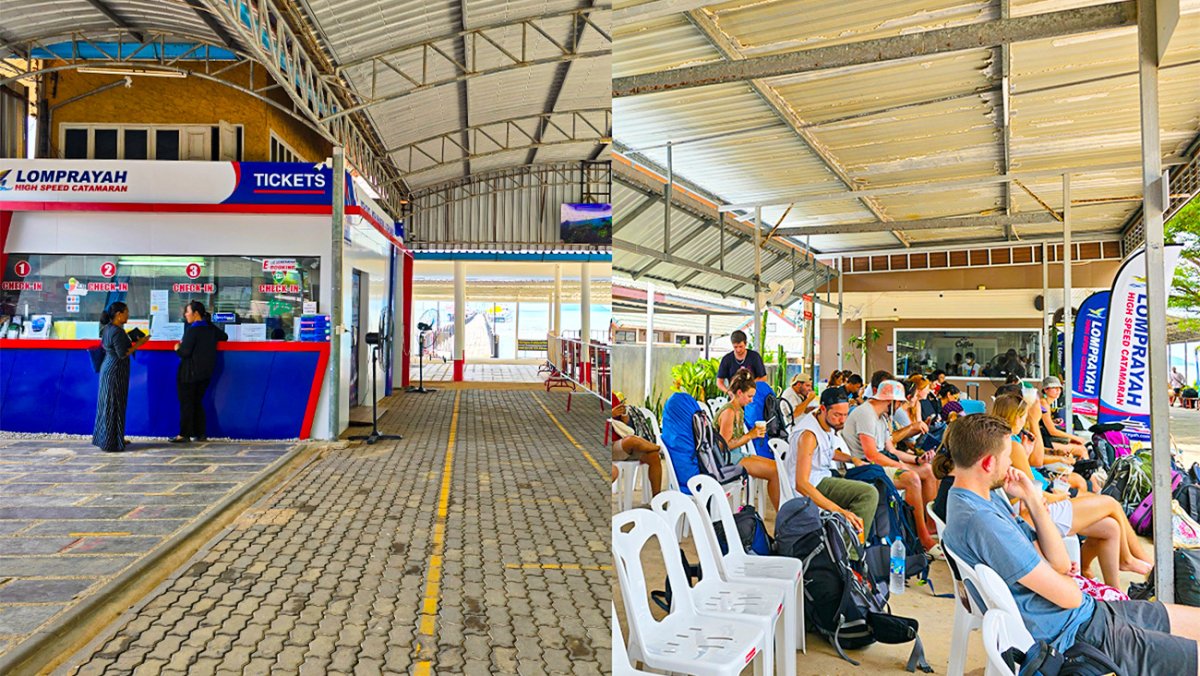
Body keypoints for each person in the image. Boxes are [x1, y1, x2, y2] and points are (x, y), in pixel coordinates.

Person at [940, 414, 1198, 675]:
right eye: (1008, 456)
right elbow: (1070, 595)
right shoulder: (983, 521)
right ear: (987, 463)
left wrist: (1032, 498)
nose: (1011, 463)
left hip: (1088, 618)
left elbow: (1061, 563)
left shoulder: (976, 501)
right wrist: (1059, 574)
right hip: (1079, 637)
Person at [992, 394, 1152, 584]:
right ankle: (1131, 560)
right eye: (1025, 416)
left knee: (1111, 527)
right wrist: (1059, 496)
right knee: (1111, 503)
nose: (1026, 419)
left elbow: (1029, 470)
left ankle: (1115, 591)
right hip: (1038, 511)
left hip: (1037, 504)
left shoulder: (1008, 442)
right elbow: (1030, 489)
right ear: (1016, 417)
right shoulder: (1012, 444)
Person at [841, 379, 939, 550]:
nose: (900, 406)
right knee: (912, 479)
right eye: (899, 402)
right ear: (890, 400)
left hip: (880, 461)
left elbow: (891, 450)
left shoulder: (883, 416)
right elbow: (871, 455)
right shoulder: (865, 414)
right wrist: (901, 466)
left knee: (928, 470)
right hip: (866, 468)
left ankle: (930, 526)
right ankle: (921, 537)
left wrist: (917, 460)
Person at [789, 387, 878, 535]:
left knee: (872, 478)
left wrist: (852, 459)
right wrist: (840, 511)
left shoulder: (825, 422)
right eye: (837, 415)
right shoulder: (808, 436)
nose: (842, 420)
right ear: (823, 409)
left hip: (823, 476)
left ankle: (862, 538)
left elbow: (827, 451)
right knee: (868, 493)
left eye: (845, 415)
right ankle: (850, 547)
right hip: (814, 484)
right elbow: (801, 484)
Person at [714, 370, 782, 510]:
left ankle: (782, 513)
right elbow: (724, 445)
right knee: (774, 472)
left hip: (737, 455)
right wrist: (750, 435)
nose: (751, 400)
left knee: (777, 467)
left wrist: (752, 434)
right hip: (728, 459)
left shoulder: (738, 409)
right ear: (739, 393)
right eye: (749, 396)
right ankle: (782, 515)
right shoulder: (729, 412)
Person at [93, 302, 150, 452]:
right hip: (115, 370)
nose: (128, 315)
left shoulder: (108, 328)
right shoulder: (117, 331)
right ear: (119, 315)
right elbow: (122, 354)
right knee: (115, 404)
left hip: (109, 368)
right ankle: (111, 442)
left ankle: (113, 438)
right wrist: (140, 343)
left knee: (109, 403)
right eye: (126, 312)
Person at [170, 301, 228, 443]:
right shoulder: (210, 329)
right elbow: (224, 336)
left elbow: (185, 352)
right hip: (205, 374)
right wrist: (208, 323)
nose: (185, 315)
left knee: (187, 403)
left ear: (196, 314)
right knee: (197, 402)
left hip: (189, 374)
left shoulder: (192, 330)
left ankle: (184, 434)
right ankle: (200, 433)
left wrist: (177, 348)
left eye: (187, 312)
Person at [610, 394, 663, 496]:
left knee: (654, 456)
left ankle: (657, 499)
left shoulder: (613, 396)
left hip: (623, 443)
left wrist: (624, 414)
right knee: (632, 440)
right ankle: (661, 449)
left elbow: (626, 424)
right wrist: (611, 413)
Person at [1038, 377, 1088, 458]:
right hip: (1042, 441)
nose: (1058, 390)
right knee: (1081, 450)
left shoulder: (1045, 403)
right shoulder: (1044, 404)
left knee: (1077, 446)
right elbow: (1052, 431)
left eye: (1059, 388)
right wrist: (1076, 437)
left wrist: (1053, 422)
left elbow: (1042, 422)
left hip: (1044, 438)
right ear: (1046, 390)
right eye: (1054, 388)